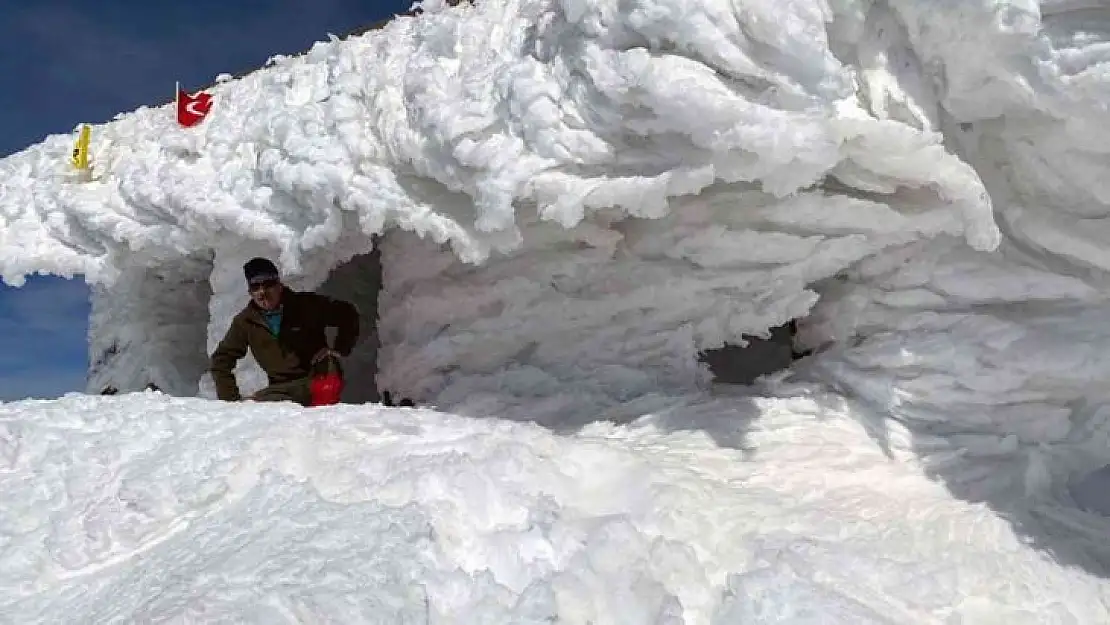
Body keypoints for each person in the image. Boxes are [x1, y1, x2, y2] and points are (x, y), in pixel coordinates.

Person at [209, 257, 360, 406]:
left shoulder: (306, 305)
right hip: (281, 390)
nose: (262, 292)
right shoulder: (245, 322)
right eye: (256, 287)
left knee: (322, 399)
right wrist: (230, 402)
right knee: (255, 411)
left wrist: (339, 348)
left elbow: (347, 313)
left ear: (279, 285)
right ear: (250, 292)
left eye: (268, 284)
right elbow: (221, 359)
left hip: (318, 379)